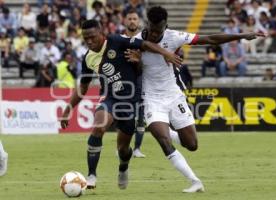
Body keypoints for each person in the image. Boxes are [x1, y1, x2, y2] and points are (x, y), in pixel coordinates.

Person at [128, 6, 264, 193]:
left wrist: (241, 36)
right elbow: (134, 72)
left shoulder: (174, 37)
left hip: (174, 95)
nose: (153, 33)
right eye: (151, 29)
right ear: (147, 24)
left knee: (191, 145)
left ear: (165, 26)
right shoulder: (135, 42)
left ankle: (167, 131)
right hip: (152, 98)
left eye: (158, 30)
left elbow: (210, 39)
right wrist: (137, 63)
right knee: (163, 141)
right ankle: (195, 181)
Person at [60, 19, 181, 190]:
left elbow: (145, 44)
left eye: (92, 37)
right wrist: (67, 110)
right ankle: (91, 175)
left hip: (129, 102)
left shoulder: (117, 41)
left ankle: (123, 168)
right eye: (85, 38)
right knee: (99, 127)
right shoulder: (88, 58)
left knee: (123, 149)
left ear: (101, 33)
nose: (89, 41)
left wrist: (165, 53)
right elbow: (83, 87)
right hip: (108, 98)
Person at [123, 10, 146, 158]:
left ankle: (137, 148)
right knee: (125, 117)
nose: (132, 21)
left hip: (141, 82)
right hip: (125, 82)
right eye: (130, 19)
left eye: (135, 19)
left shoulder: (144, 40)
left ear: (139, 22)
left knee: (140, 117)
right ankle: (122, 146)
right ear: (125, 21)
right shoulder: (119, 40)